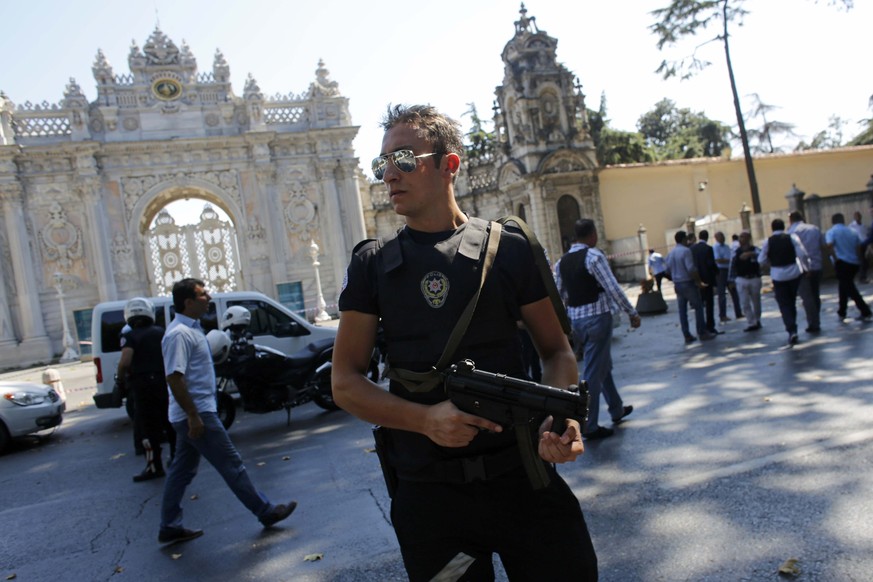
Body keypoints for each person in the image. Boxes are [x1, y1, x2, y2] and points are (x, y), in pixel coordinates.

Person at [332, 104, 598, 581]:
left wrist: (560, 418)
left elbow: (557, 352)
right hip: (434, 505)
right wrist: (426, 420)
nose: (389, 174)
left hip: (525, 483)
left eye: (405, 159)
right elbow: (346, 382)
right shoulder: (372, 266)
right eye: (382, 164)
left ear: (449, 165)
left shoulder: (510, 248)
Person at [158, 278, 297, 545]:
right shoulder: (179, 334)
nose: (208, 297)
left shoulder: (191, 329)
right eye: (202, 294)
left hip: (194, 412)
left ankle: (169, 525)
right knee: (231, 464)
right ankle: (265, 511)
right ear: (188, 302)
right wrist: (193, 415)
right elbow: (174, 378)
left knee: (181, 471)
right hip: (198, 414)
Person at [555, 218, 639, 440]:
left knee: (602, 365)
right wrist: (631, 312)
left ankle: (616, 408)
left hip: (576, 321)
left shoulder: (561, 262)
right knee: (593, 372)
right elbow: (612, 288)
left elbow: (559, 295)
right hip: (597, 319)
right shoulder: (594, 256)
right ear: (592, 235)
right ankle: (589, 424)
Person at [115, 297, 175, 482]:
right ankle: (176, 459)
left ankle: (153, 466)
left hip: (142, 386)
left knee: (147, 428)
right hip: (164, 382)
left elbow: (125, 361)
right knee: (169, 423)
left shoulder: (130, 336)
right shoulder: (161, 332)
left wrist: (120, 379)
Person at [758, 219, 811, 346]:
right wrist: (806, 268)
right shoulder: (792, 237)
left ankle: (791, 328)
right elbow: (802, 254)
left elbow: (761, 259)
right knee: (792, 301)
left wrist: (771, 264)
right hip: (794, 272)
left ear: (772, 228)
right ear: (784, 226)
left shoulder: (768, 241)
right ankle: (793, 325)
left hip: (778, 275)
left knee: (783, 303)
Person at [664, 230, 715, 344]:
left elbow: (666, 270)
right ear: (683, 239)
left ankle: (686, 334)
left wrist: (675, 278)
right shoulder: (686, 251)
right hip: (687, 282)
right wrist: (698, 282)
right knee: (698, 307)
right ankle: (702, 331)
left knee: (682, 310)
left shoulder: (671, 253)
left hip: (678, 283)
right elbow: (691, 269)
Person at [825, 213, 872, 322]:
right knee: (844, 285)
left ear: (833, 221)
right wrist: (859, 260)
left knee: (849, 288)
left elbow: (829, 245)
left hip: (842, 262)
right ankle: (842, 311)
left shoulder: (831, 232)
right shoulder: (852, 231)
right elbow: (859, 246)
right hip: (853, 262)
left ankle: (865, 310)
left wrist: (835, 259)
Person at [787, 211, 825, 333]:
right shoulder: (814, 228)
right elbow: (823, 245)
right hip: (817, 265)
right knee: (815, 294)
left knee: (807, 297)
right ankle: (816, 318)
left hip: (802, 268)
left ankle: (813, 322)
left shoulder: (791, 233)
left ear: (791, 220)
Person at [728, 231, 763, 332]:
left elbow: (762, 256)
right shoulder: (736, 251)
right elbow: (732, 265)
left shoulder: (755, 249)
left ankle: (757, 320)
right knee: (744, 302)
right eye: (740, 237)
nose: (741, 239)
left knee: (756, 301)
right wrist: (731, 280)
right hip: (741, 279)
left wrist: (751, 254)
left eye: (743, 237)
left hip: (754, 278)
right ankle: (751, 322)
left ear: (748, 238)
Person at [690, 230, 721, 335]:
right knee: (709, 304)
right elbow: (710, 264)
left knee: (699, 305)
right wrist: (717, 273)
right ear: (707, 237)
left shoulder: (693, 249)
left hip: (696, 280)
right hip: (707, 280)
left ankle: (700, 326)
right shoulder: (708, 249)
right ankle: (710, 326)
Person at [713, 231, 743, 323]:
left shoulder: (726, 247)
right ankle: (723, 315)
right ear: (716, 238)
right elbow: (717, 259)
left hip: (729, 270)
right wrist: (727, 260)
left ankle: (738, 312)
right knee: (722, 294)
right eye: (720, 236)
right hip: (720, 271)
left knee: (734, 292)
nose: (722, 238)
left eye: (723, 236)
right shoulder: (715, 247)